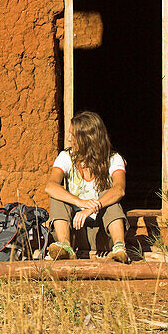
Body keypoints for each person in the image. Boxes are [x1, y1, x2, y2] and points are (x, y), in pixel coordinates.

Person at [44, 111, 130, 262]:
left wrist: (91, 208)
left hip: (103, 235)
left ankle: (119, 247)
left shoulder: (114, 159)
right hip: (75, 233)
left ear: (88, 138)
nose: (69, 139)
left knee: (109, 196)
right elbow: (50, 186)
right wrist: (80, 202)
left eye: (74, 135)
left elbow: (119, 189)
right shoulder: (65, 157)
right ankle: (64, 246)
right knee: (58, 195)